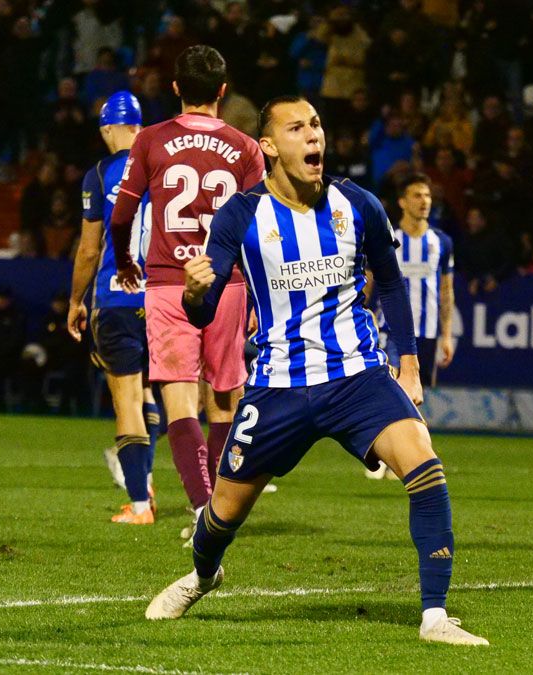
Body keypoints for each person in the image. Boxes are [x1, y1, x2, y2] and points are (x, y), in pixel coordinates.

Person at [140, 95, 487, 646]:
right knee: (223, 513)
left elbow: (392, 284)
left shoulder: (360, 205)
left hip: (358, 376)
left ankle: (434, 616)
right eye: (297, 127)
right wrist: (194, 293)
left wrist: (410, 362)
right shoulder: (242, 214)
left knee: (425, 467)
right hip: (278, 386)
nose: (313, 136)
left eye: (318, 125)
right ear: (270, 147)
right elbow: (204, 311)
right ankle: (204, 576)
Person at [110, 46, 263, 541]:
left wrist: (126, 259)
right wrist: (259, 297)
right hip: (229, 282)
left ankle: (201, 510)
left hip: (168, 280)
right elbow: (262, 232)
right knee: (224, 400)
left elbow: (121, 216)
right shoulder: (246, 149)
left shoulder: (151, 140)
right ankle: (221, 507)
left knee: (178, 401)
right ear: (222, 91)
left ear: (175, 88)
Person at [67, 91, 162, 525]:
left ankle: (139, 503)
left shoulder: (101, 173)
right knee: (154, 394)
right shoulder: (163, 163)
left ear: (107, 129)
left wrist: (74, 300)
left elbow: (89, 250)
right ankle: (157, 484)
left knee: (126, 398)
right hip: (164, 298)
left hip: (117, 294)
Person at [367, 173, 455, 480]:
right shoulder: (387, 238)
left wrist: (446, 334)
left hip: (427, 330)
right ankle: (387, 457)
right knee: (393, 388)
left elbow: (446, 290)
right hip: (390, 328)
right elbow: (369, 281)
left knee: (415, 394)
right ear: (403, 202)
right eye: (417, 195)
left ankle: (395, 456)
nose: (424, 201)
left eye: (428, 196)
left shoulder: (441, 242)